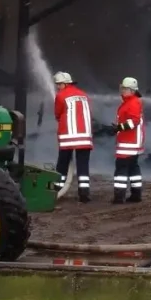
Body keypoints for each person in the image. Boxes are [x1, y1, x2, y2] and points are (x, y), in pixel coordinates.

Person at [52, 71, 94, 203]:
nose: (58, 87)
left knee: (62, 165)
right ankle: (84, 193)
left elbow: (58, 115)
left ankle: (56, 191)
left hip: (68, 138)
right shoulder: (84, 95)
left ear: (65, 84)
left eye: (59, 84)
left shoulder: (60, 96)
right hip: (85, 137)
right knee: (83, 165)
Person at [112, 76, 145, 204]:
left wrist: (119, 127)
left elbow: (134, 121)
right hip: (132, 143)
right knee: (133, 168)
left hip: (129, 143)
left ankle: (119, 197)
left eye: (125, 89)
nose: (122, 91)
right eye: (122, 88)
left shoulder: (133, 102)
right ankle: (136, 195)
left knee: (121, 168)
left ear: (132, 90)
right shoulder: (131, 101)